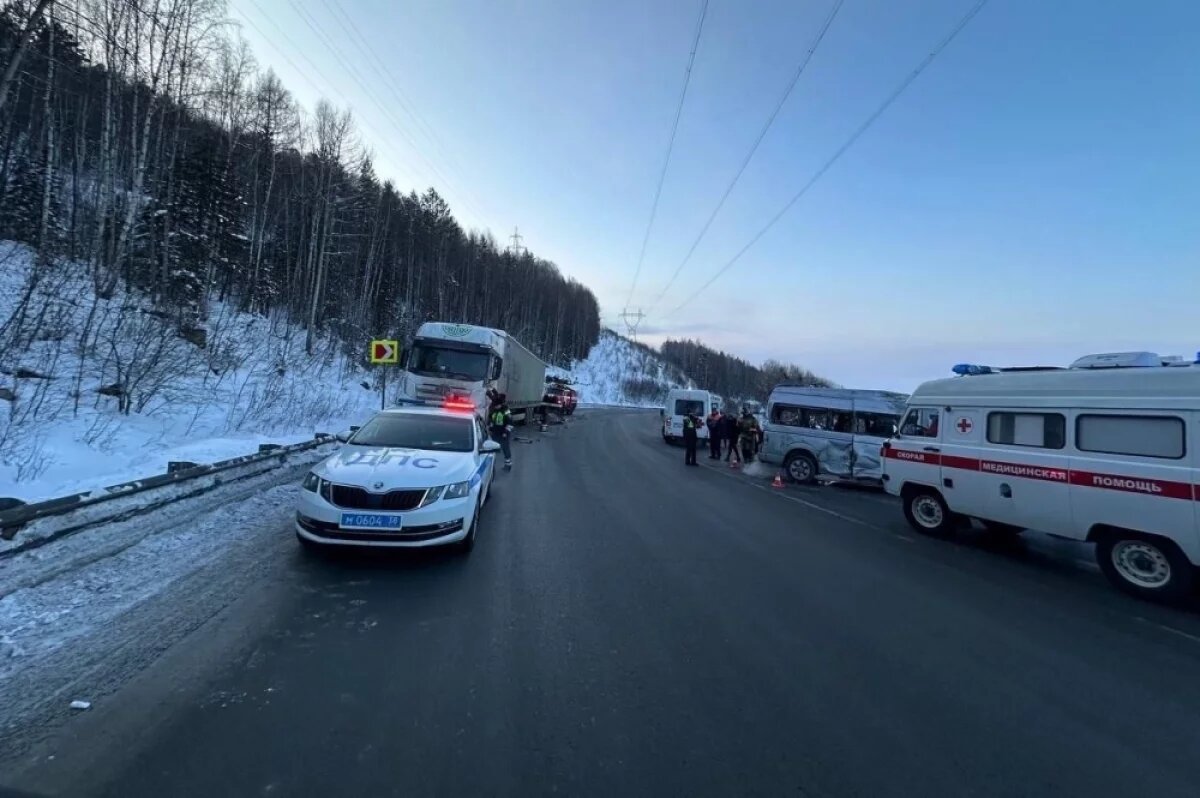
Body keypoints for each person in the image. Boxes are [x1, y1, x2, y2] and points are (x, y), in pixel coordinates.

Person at [488, 393, 514, 470]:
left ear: (500, 404)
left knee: (505, 448)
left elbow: (510, 423)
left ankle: (508, 464)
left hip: (503, 433)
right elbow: (491, 421)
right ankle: (491, 466)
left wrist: (505, 432)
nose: (495, 407)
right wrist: (490, 429)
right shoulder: (494, 411)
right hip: (495, 433)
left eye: (497, 405)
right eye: (495, 406)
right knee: (492, 449)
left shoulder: (506, 411)